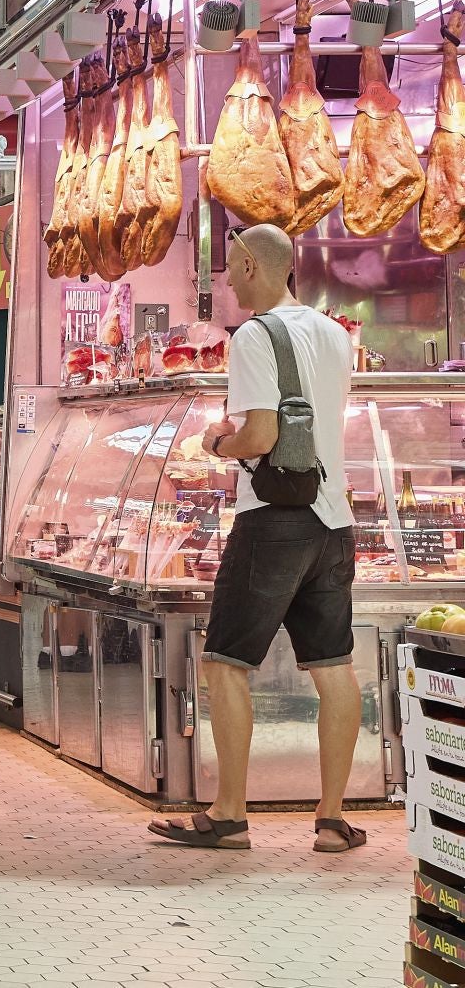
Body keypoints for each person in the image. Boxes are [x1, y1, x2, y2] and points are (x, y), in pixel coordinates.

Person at [151, 224, 364, 854]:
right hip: (333, 519)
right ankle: (332, 820)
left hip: (274, 521)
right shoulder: (333, 332)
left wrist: (217, 443)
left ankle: (229, 816)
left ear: (250, 266)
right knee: (333, 667)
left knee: (225, 664)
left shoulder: (254, 335)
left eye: (228, 269)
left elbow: (262, 436)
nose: (225, 283)